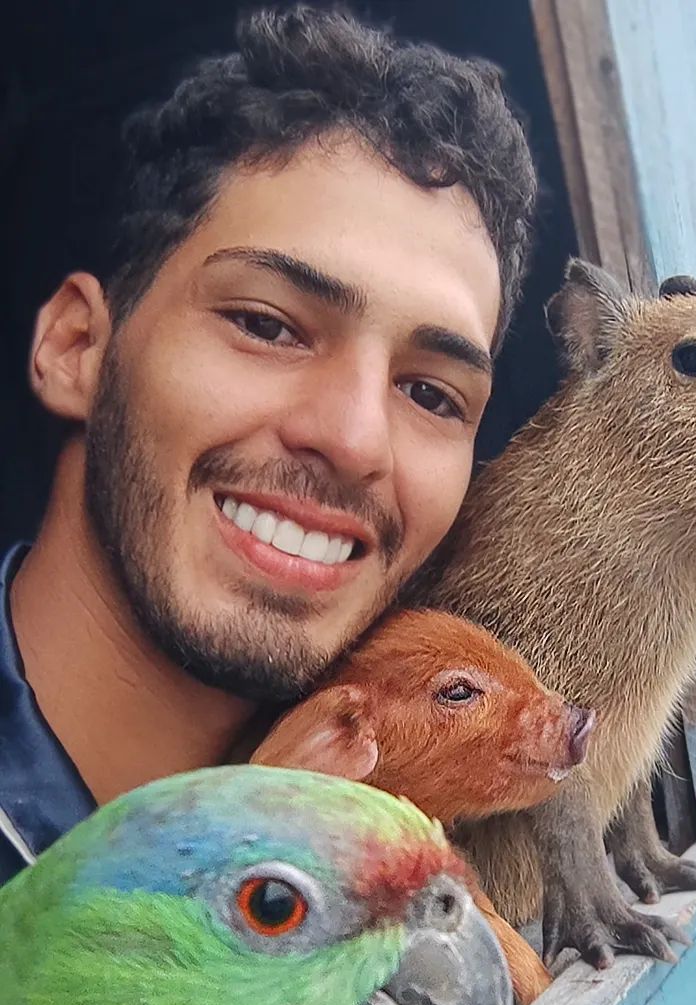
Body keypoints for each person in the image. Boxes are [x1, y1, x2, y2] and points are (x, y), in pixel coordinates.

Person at [0, 4, 537, 885]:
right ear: (75, 349)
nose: (357, 437)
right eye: (267, 324)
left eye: (431, 393)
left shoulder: (419, 889)